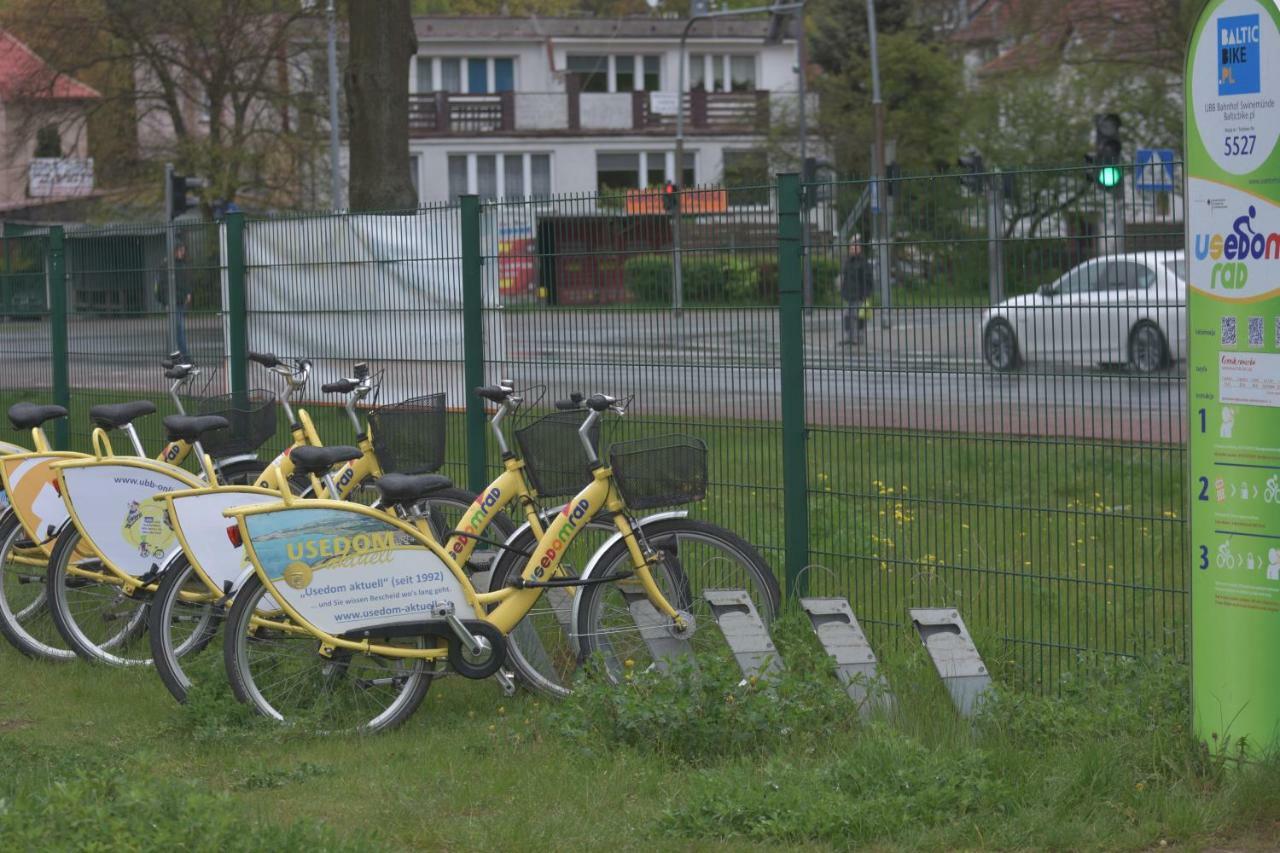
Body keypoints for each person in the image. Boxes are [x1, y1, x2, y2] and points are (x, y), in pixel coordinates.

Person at [840, 237, 873, 346]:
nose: (853, 248)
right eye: (852, 246)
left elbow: (868, 279)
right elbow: (845, 278)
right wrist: (843, 291)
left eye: (856, 246)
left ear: (860, 248)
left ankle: (858, 337)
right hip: (848, 294)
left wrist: (866, 294)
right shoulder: (848, 261)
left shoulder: (863, 262)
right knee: (847, 316)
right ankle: (848, 336)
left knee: (858, 316)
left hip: (859, 294)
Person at [172, 242, 193, 358]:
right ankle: (184, 355)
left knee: (179, 328)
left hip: (180, 301)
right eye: (180, 250)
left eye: (183, 250)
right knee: (179, 328)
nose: (182, 253)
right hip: (174, 301)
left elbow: (186, 281)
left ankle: (180, 354)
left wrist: (188, 292)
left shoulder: (182, 265)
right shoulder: (170, 265)